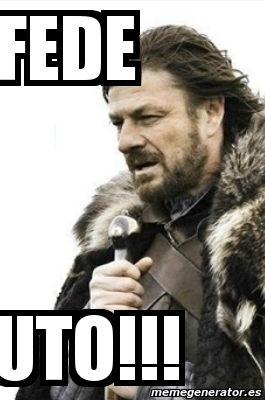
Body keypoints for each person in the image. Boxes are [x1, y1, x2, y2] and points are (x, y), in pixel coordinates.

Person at [16, 25, 265, 400]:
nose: (125, 141)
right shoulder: (114, 239)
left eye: (148, 117)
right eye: (119, 122)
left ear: (211, 112)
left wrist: (151, 386)